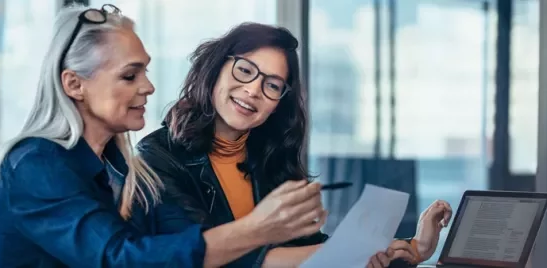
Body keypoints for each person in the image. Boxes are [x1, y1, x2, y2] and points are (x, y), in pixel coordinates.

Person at [0, 5, 326, 268]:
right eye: (130, 76)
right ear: (74, 84)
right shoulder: (35, 163)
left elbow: (174, 251)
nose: (148, 87)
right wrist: (257, 228)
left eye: (144, 71)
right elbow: (121, 259)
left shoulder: (124, 170)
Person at [136, 22, 454, 268]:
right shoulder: (158, 157)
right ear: (216, 68)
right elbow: (210, 256)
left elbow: (307, 248)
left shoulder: (270, 156)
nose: (252, 90)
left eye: (272, 85)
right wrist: (344, 252)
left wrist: (411, 248)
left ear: (279, 101)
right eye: (245, 70)